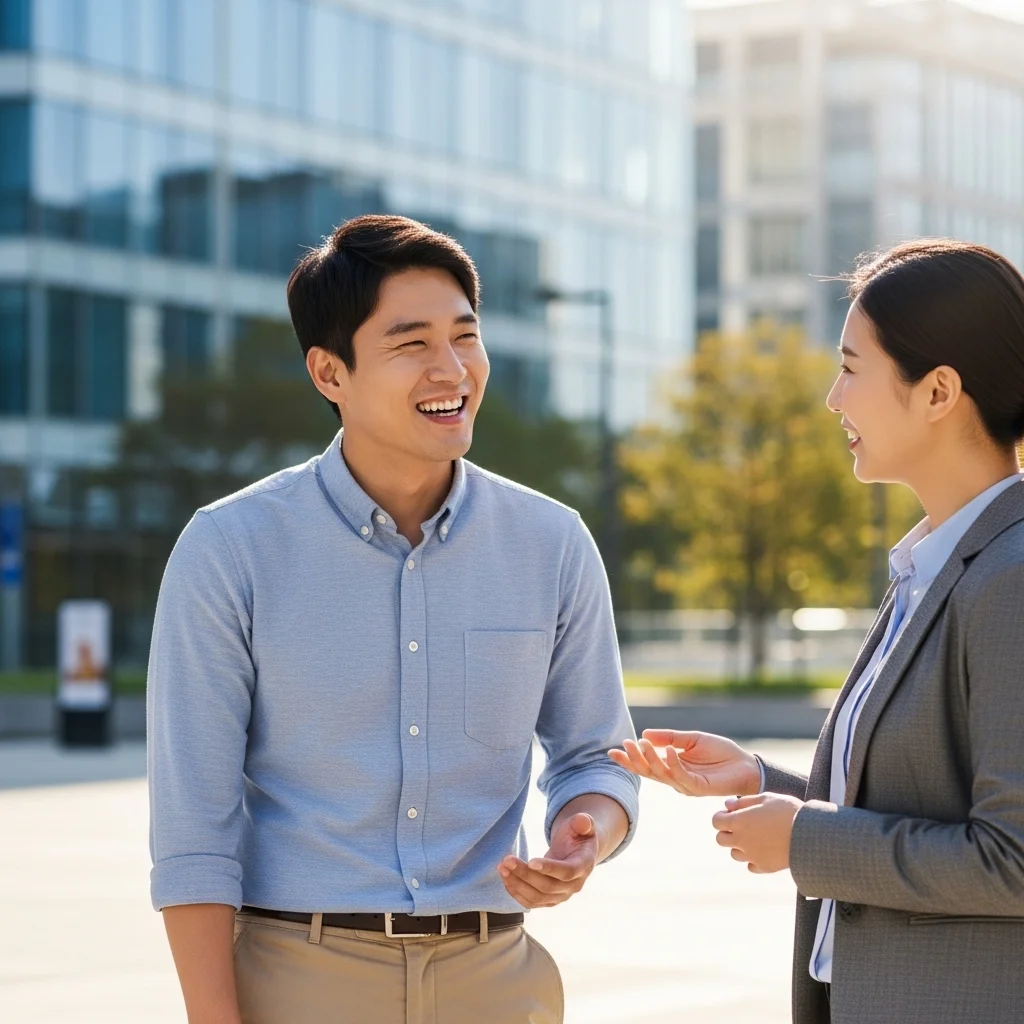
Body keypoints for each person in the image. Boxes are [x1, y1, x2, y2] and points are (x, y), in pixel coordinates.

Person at [148, 214, 639, 1024]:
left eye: (465, 336)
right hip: (299, 980)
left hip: (497, 980)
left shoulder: (551, 543)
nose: (453, 369)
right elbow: (193, 823)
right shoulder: (231, 548)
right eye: (412, 344)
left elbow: (597, 755)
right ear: (329, 372)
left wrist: (588, 828)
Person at [610, 239, 1024, 1023]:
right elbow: (917, 807)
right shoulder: (932, 566)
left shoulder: (1011, 577)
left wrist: (803, 840)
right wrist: (762, 782)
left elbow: (1014, 859)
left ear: (938, 391)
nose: (834, 398)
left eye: (851, 368)